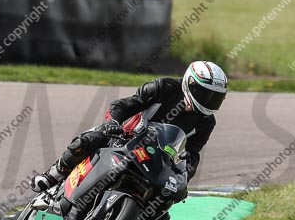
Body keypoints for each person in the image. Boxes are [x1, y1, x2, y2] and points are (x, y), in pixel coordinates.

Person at [31, 61, 227, 197]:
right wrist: (113, 122)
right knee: (88, 140)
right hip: (125, 136)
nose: (208, 101)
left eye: (215, 98)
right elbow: (123, 105)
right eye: (204, 94)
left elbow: (193, 153)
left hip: (158, 158)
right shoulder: (164, 87)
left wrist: (185, 175)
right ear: (190, 83)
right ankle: (53, 175)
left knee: (167, 199)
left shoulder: (206, 122)